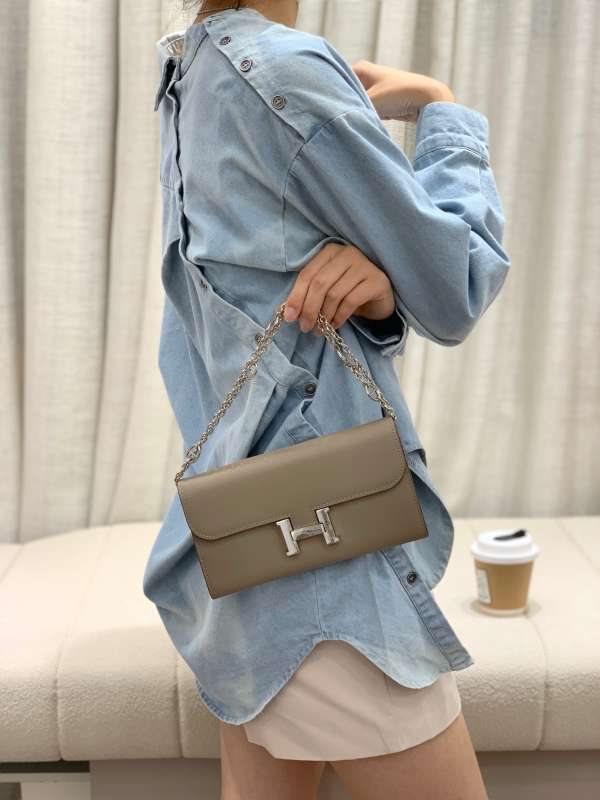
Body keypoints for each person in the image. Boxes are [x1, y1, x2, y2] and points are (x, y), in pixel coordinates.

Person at [144, 0, 510, 797]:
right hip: (329, 564)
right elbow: (456, 283)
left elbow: (255, 317)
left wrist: (376, 297)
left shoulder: (190, 73)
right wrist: (442, 107)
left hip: (246, 554)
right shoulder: (282, 72)